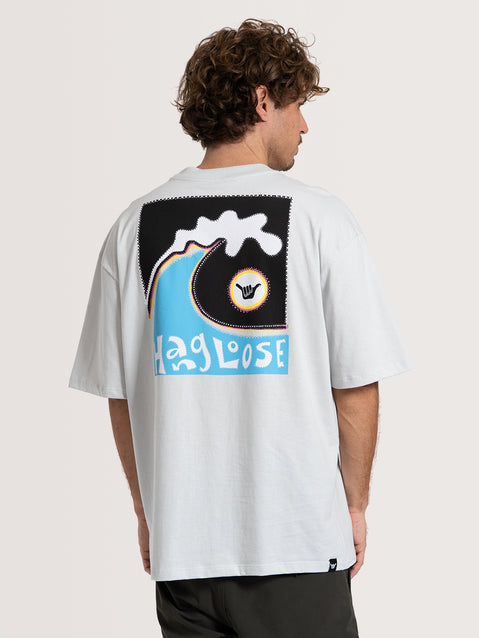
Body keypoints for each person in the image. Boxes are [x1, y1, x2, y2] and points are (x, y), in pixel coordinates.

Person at [68, 18, 414, 638]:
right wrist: (354, 505)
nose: (304, 126)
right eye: (297, 105)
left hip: (185, 559)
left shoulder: (132, 226)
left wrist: (148, 511)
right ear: (262, 101)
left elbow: (120, 394)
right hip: (296, 548)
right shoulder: (320, 219)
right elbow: (357, 385)